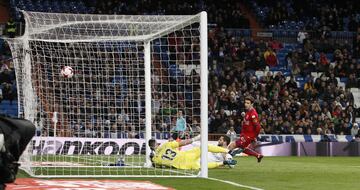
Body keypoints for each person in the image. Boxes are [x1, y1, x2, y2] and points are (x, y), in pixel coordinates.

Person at [148, 135, 236, 170]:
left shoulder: (156, 159)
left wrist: (152, 159)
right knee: (205, 146)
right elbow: (183, 142)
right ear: (156, 144)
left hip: (183, 166)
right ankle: (228, 151)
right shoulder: (166, 145)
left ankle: (223, 162)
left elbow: (160, 166)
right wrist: (195, 138)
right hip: (187, 155)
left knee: (202, 166)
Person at [227, 96, 264, 163]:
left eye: (248, 103)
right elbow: (247, 124)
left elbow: (258, 127)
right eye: (245, 103)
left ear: (252, 104)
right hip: (244, 135)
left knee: (232, 145)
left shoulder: (253, 114)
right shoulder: (248, 112)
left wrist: (254, 137)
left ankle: (227, 160)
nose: (245, 104)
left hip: (248, 136)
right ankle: (258, 155)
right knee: (243, 149)